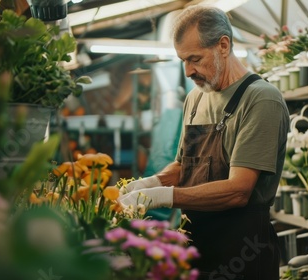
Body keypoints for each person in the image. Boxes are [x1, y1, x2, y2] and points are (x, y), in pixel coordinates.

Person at [119, 5, 290, 280]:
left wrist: (163, 197)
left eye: (194, 59)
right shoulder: (196, 98)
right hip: (196, 246)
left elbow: (238, 190)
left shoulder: (260, 100)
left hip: (242, 252)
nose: (188, 71)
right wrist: (150, 183)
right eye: (183, 60)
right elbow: (185, 166)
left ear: (223, 45)